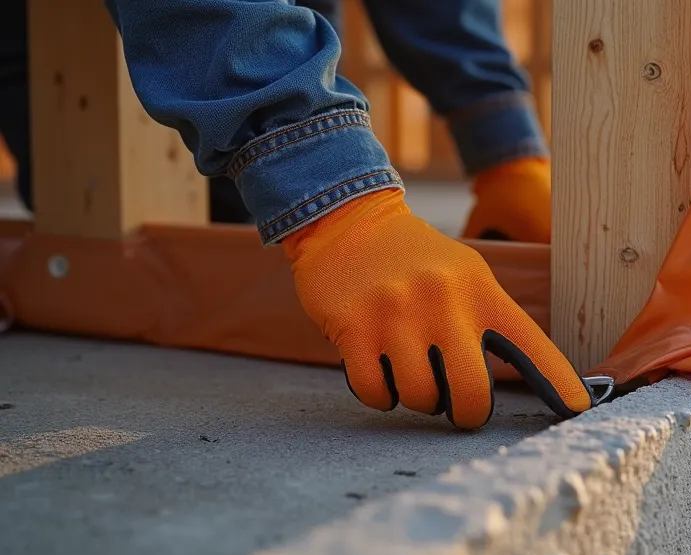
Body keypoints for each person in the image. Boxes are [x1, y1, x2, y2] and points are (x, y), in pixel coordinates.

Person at [0, 0, 593, 429]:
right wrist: (335, 199)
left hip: (269, 44)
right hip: (97, 75)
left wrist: (503, 146)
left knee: (242, 228)